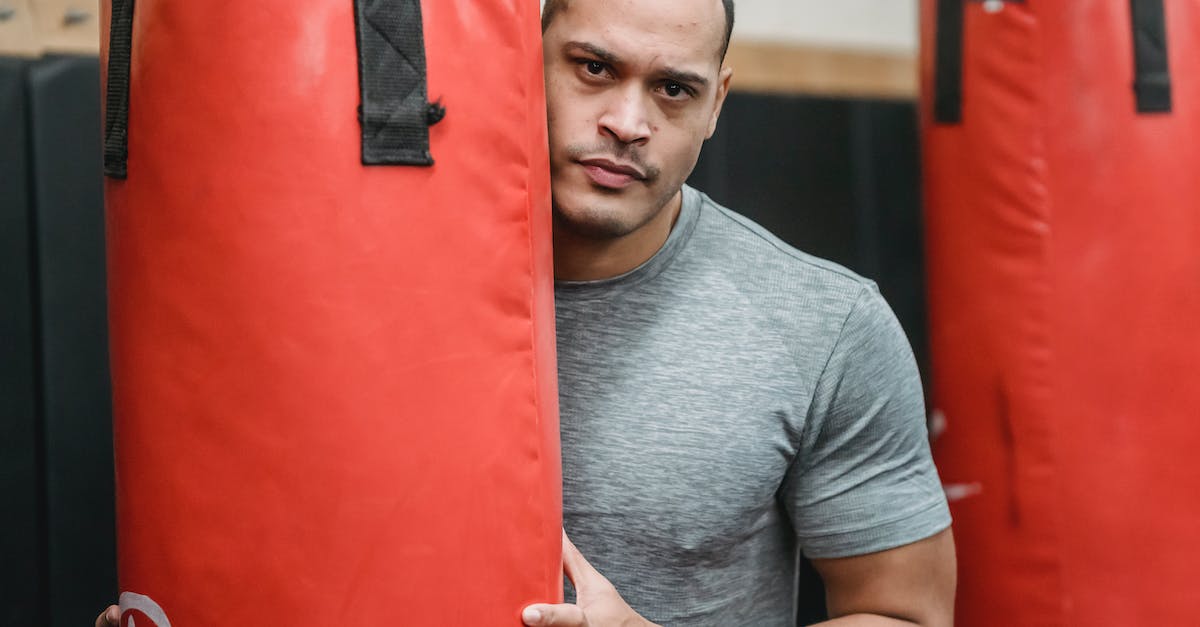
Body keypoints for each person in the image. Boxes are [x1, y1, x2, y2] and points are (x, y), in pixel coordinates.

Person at [99, 1, 954, 626]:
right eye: (593, 68)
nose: (627, 122)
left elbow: (908, 616)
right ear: (522, 56)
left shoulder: (823, 324)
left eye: (674, 91)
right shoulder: (355, 284)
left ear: (719, 103)